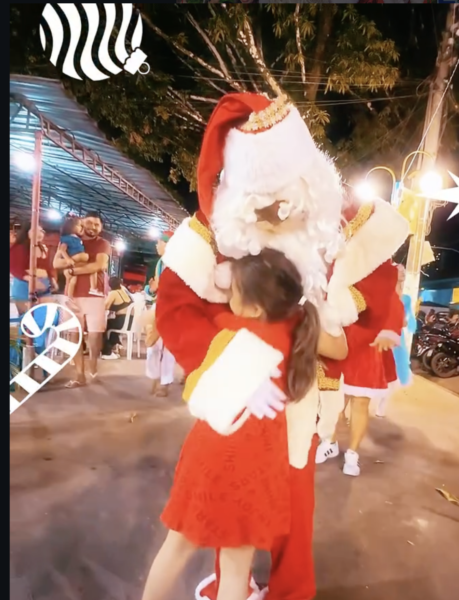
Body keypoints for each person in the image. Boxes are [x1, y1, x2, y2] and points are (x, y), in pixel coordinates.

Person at [154, 93, 346, 600]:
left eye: (288, 200)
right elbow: (175, 312)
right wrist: (232, 369)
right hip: (235, 416)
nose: (280, 213)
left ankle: (287, 591)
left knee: (292, 511)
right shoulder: (209, 237)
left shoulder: (315, 240)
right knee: (225, 527)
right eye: (267, 203)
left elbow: (329, 332)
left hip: (295, 403)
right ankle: (232, 586)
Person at [142, 249, 347, 600]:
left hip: (212, 457)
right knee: (237, 566)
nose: (227, 299)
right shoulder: (299, 332)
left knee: (178, 546)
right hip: (259, 467)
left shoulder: (233, 334)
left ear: (253, 307)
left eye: (233, 292)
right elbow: (340, 349)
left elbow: (195, 392)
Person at [315, 190, 410, 476]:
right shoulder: (332, 262)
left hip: (368, 344)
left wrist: (389, 330)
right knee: (333, 398)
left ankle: (353, 454)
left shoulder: (385, 270)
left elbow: (393, 305)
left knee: (360, 401)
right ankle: (329, 441)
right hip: (338, 339)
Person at [53, 211, 111, 388]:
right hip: (72, 294)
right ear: (81, 224)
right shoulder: (69, 240)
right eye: (89, 223)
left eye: (97, 224)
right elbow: (56, 263)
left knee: (95, 335)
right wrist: (75, 265)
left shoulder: (102, 243)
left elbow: (99, 265)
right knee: (73, 333)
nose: (93, 227)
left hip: (95, 294)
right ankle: (79, 375)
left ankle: (93, 368)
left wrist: (72, 270)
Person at [376, 265, 416, 417]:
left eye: (404, 271)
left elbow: (407, 320)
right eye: (399, 271)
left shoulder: (406, 298)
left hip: (397, 339)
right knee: (377, 372)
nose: (403, 273)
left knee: (393, 376)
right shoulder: (383, 295)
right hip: (382, 336)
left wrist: (403, 322)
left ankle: (381, 406)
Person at [145, 231, 177, 397]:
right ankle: (155, 378)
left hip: (172, 306)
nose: (157, 245)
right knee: (153, 345)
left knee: (167, 347)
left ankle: (165, 382)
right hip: (159, 304)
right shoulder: (160, 262)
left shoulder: (177, 263)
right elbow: (154, 287)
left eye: (160, 242)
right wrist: (151, 290)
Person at [10, 220, 58, 314]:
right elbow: (14, 268)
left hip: (43, 285)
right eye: (35, 230)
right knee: (28, 318)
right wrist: (31, 280)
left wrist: (52, 279)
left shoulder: (43, 248)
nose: (40, 233)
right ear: (27, 232)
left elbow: (48, 267)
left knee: (48, 314)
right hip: (24, 286)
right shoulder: (19, 248)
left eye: (41, 231)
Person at [55, 214, 102, 298]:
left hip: (79, 262)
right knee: (72, 280)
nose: (82, 228)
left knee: (75, 279)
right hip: (74, 261)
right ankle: (70, 296)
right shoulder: (67, 239)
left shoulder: (77, 238)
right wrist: (68, 259)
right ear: (71, 227)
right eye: (80, 226)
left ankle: (72, 296)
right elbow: (62, 250)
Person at [101, 276, 133, 360]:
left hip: (121, 321)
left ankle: (107, 351)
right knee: (110, 325)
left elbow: (105, 306)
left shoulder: (113, 293)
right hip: (130, 321)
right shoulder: (123, 291)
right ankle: (116, 344)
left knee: (102, 327)